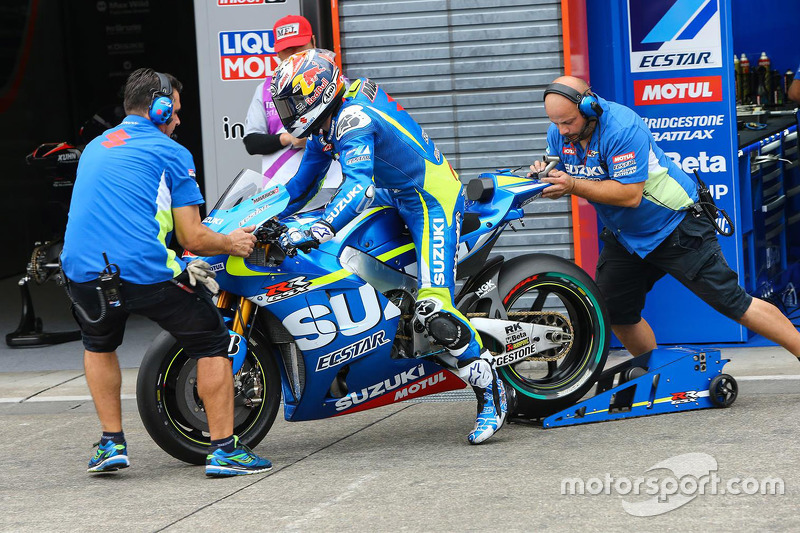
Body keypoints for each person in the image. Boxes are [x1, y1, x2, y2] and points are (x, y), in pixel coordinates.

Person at [269, 48, 508, 444]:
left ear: (316, 93)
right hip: (392, 195)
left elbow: (357, 184)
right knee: (348, 260)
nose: (288, 110)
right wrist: (264, 216)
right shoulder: (327, 122)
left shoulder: (351, 118)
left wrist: (324, 225)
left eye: (293, 101)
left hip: (429, 201)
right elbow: (301, 187)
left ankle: (490, 392)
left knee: (434, 307)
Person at [61, 68, 273, 477]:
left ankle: (111, 444)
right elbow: (191, 233)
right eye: (174, 111)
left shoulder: (95, 146)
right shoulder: (171, 153)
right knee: (212, 339)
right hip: (142, 269)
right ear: (158, 110)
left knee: (98, 344)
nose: (178, 119)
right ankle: (226, 450)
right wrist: (232, 243)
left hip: (83, 272)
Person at [530, 75, 800, 360]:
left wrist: (571, 185)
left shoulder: (622, 128)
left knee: (733, 303)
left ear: (589, 107)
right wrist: (542, 177)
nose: (561, 131)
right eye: (555, 123)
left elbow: (629, 195)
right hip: (626, 236)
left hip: (676, 226)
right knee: (616, 313)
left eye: (568, 122)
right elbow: (558, 169)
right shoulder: (558, 133)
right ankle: (656, 376)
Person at [242, 14, 342, 193]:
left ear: (313, 41)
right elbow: (252, 142)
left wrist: (318, 138)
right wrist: (289, 138)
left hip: (332, 188)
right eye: (288, 49)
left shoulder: (336, 82)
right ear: (277, 52)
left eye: (299, 46)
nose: (295, 54)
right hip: (281, 192)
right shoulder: (265, 89)